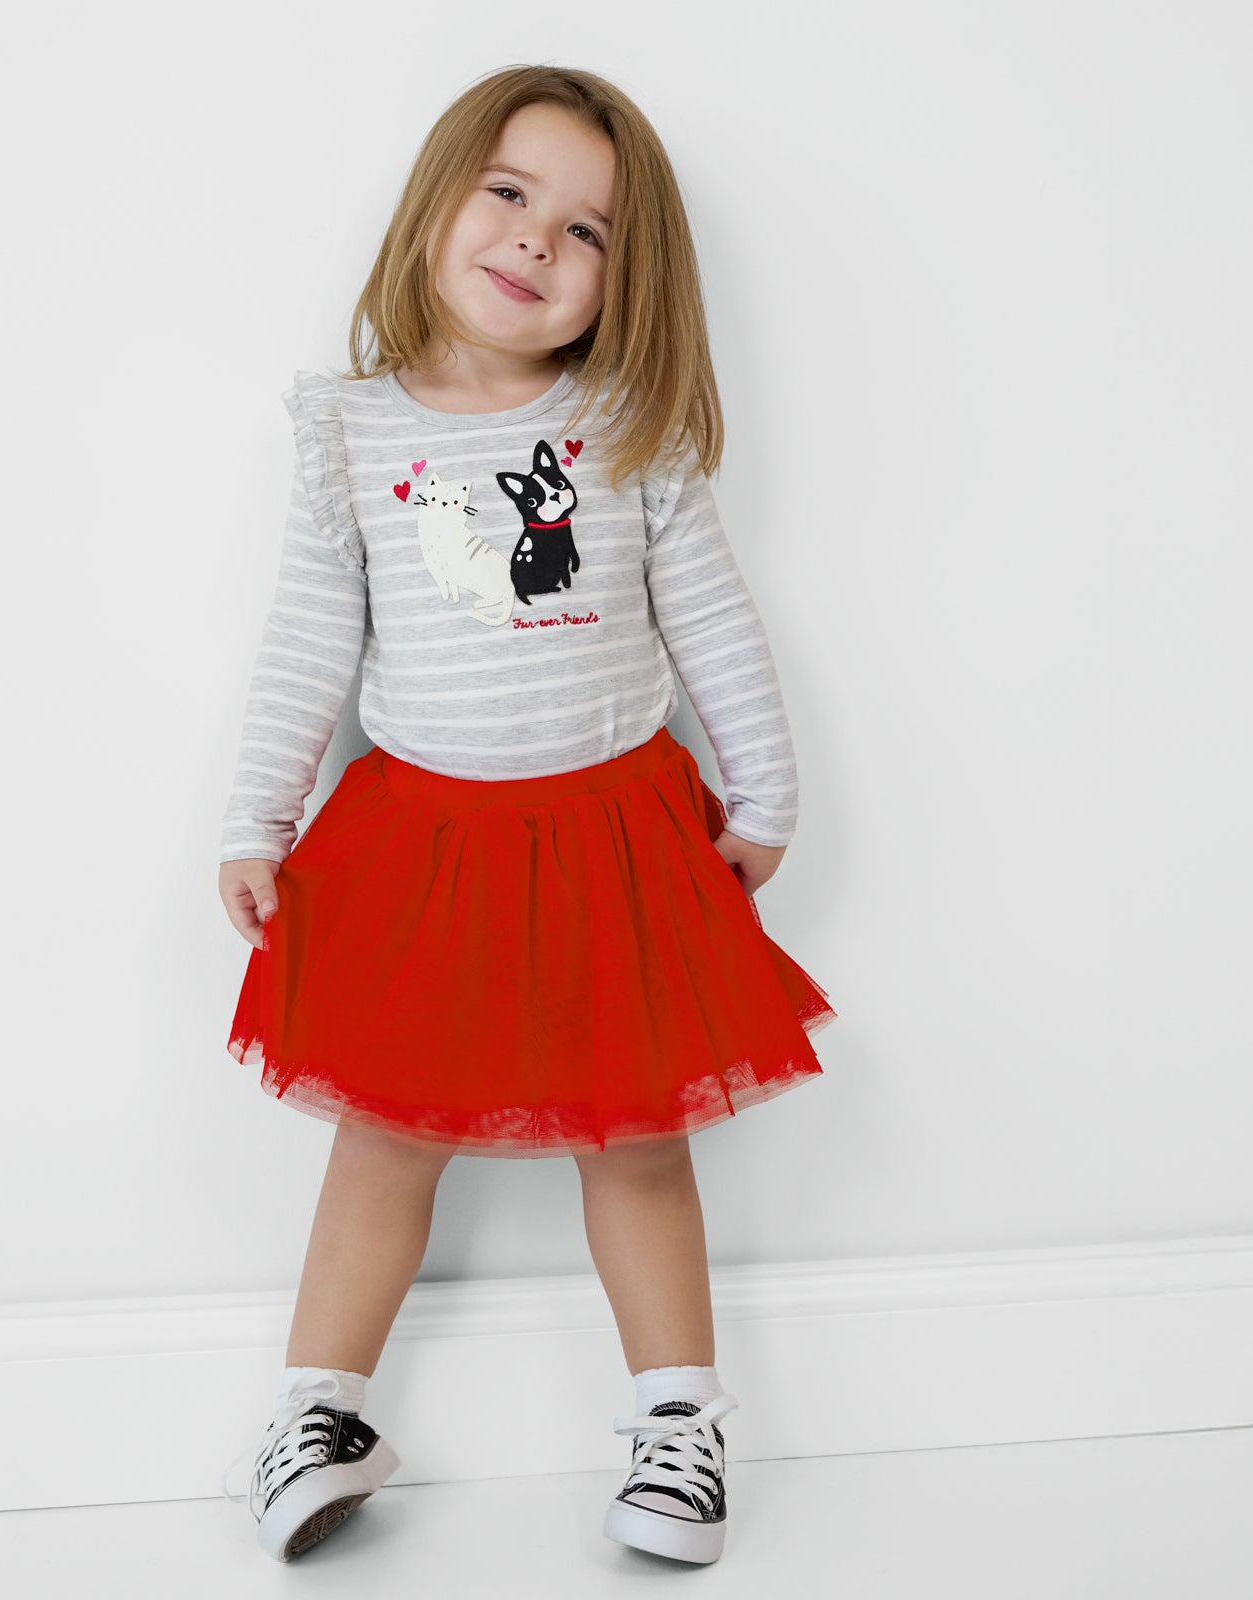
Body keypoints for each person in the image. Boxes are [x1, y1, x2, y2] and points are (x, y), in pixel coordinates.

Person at [215, 64, 837, 1568]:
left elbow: (711, 619)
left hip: (619, 841)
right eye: (510, 193)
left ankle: (680, 1419)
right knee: (380, 1139)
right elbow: (310, 635)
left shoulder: (626, 426)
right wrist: (256, 815)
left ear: (627, 281)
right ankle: (319, 1411)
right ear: (439, 200)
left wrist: (765, 790)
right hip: (418, 849)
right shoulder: (352, 433)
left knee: (635, 1144)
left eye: (590, 229)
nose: (538, 240)